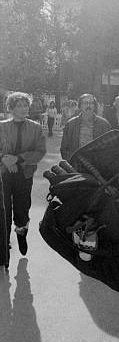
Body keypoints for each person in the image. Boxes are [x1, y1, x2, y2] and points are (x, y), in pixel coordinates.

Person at [0, 92, 46, 265]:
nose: (23, 108)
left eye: (25, 105)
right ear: (11, 108)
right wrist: (4, 159)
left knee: (22, 207)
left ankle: (21, 233)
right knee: (3, 209)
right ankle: (4, 244)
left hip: (24, 173)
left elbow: (40, 151)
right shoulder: (2, 126)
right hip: (3, 173)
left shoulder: (35, 128)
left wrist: (18, 159)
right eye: (18, 105)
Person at [60, 93, 111, 162]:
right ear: (80, 106)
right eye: (85, 103)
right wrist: (73, 161)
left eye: (91, 103)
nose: (88, 105)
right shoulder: (70, 124)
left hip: (97, 166)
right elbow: (64, 149)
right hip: (76, 165)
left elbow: (109, 148)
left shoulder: (104, 124)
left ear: (95, 106)